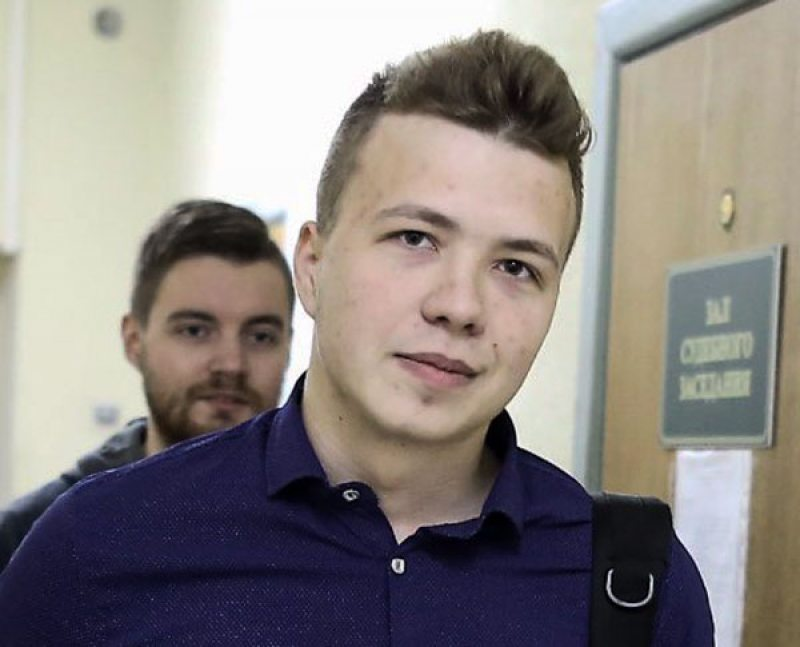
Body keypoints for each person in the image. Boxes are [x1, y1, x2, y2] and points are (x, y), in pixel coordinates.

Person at [0, 31, 713, 644]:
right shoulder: (96, 551)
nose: (460, 306)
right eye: (415, 238)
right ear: (313, 267)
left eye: (515, 267)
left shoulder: (633, 587)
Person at [0, 199, 294, 570]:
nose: (232, 364)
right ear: (134, 341)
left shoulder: (329, 535)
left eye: (261, 336)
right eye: (195, 331)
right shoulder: (31, 544)